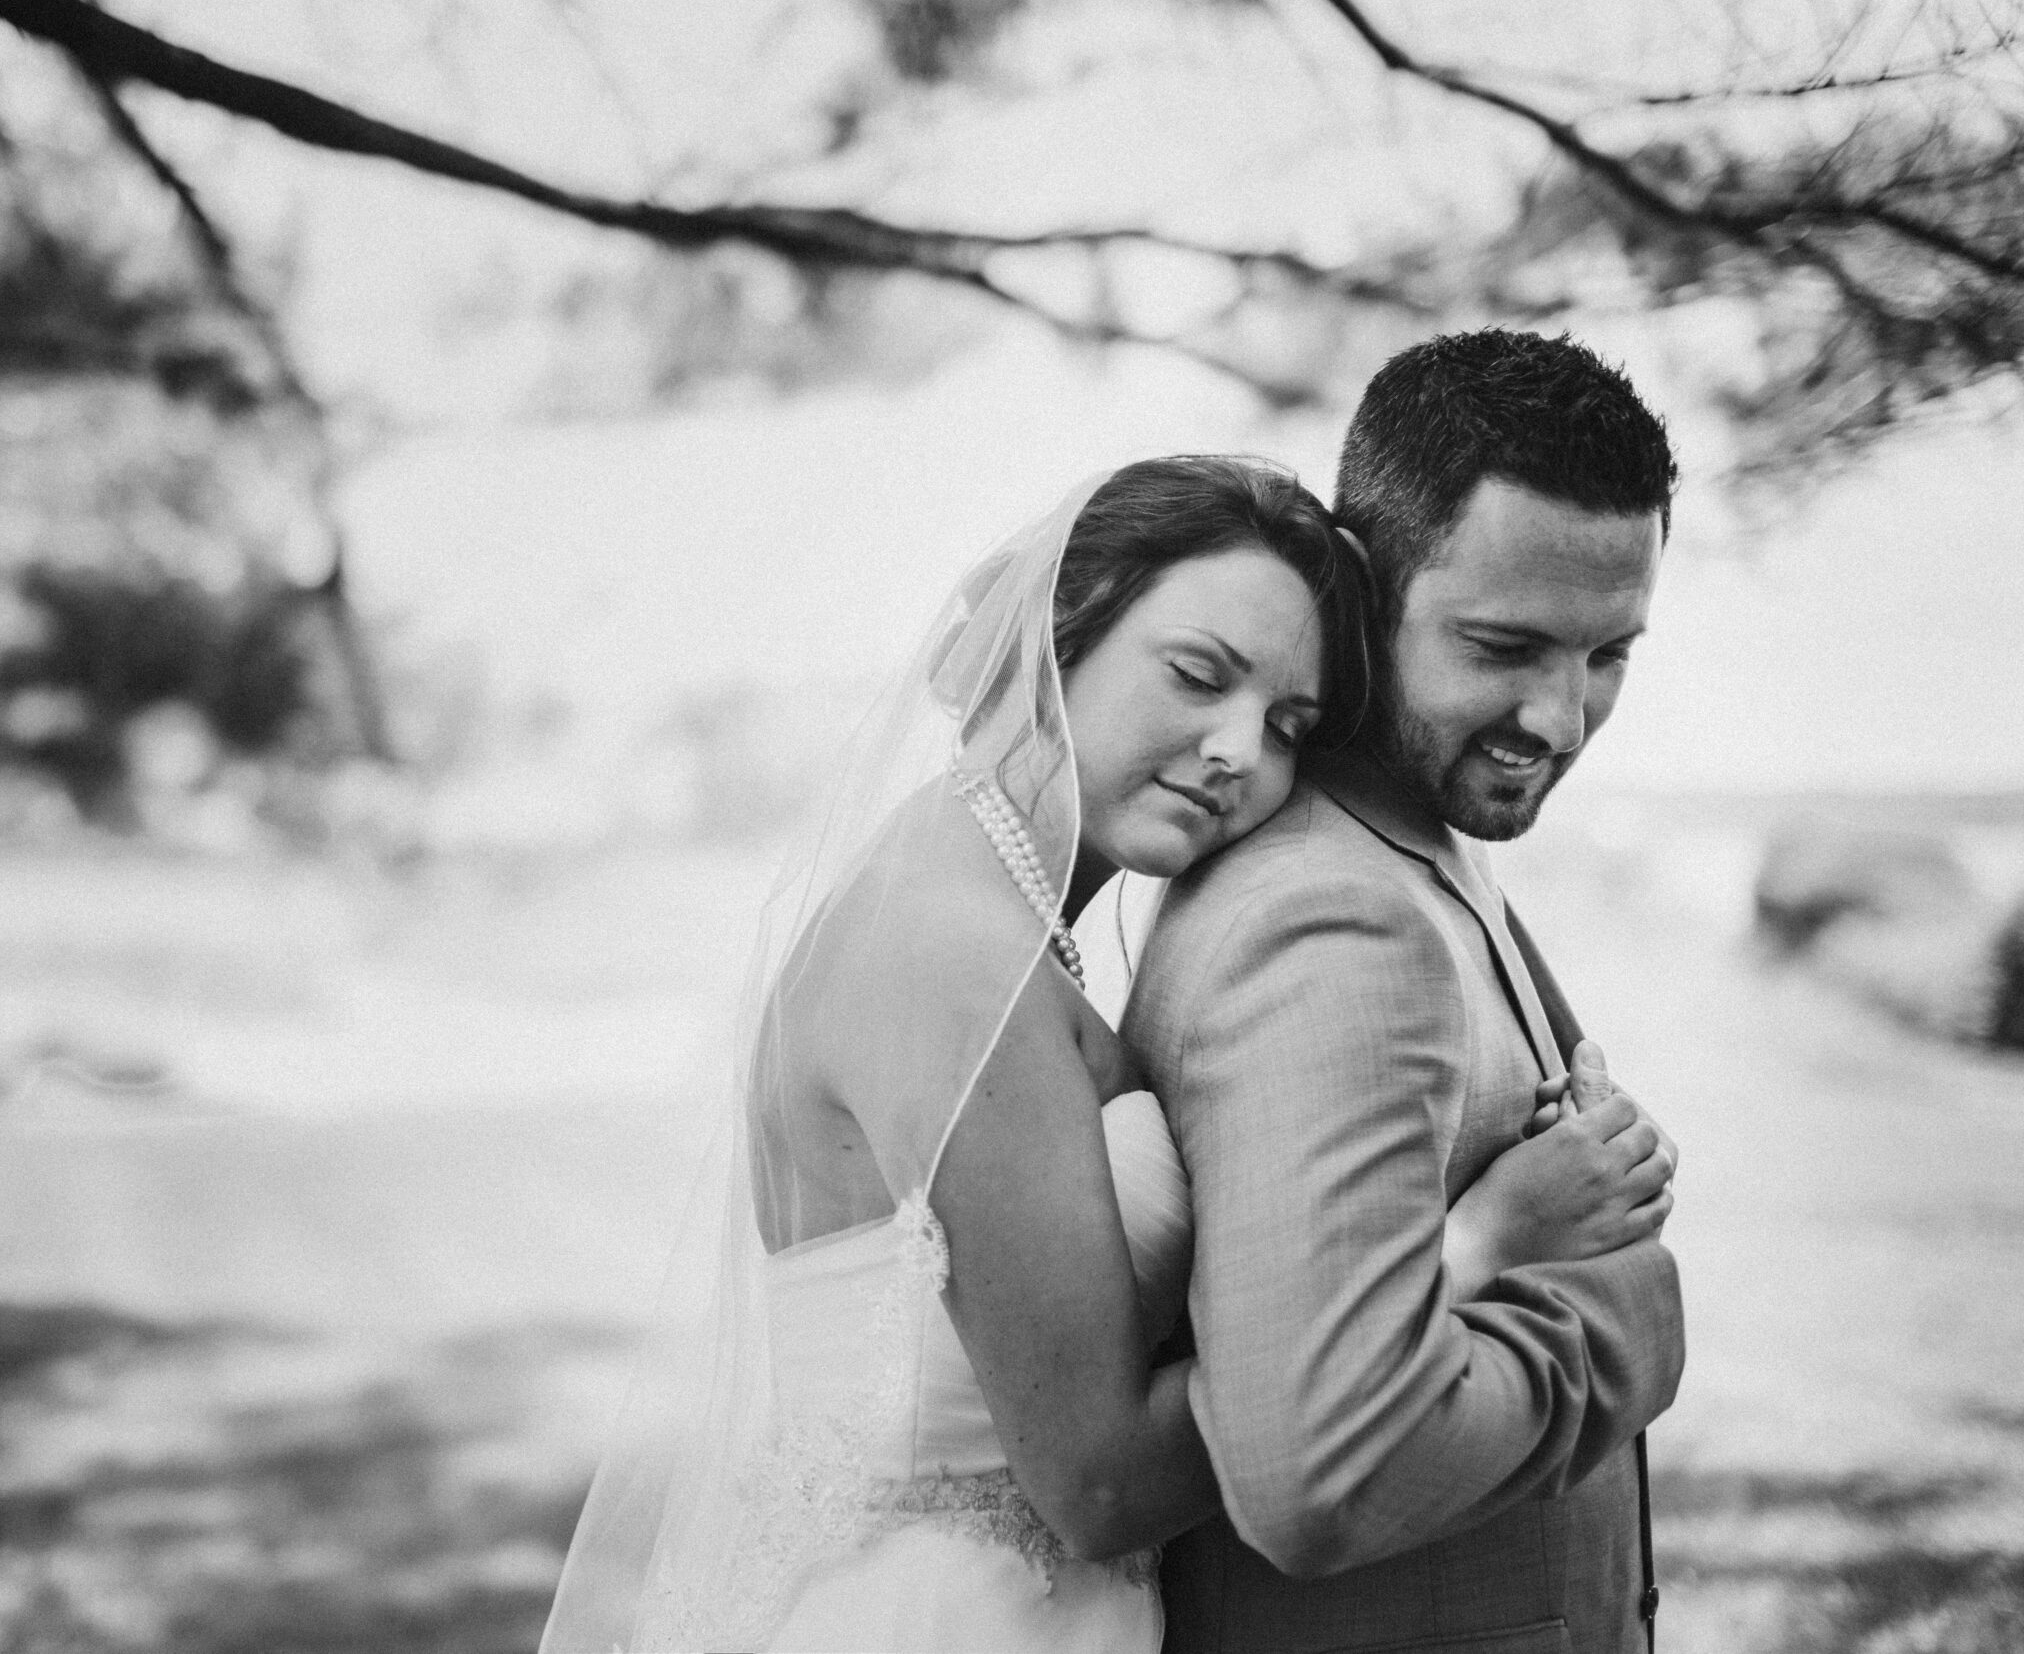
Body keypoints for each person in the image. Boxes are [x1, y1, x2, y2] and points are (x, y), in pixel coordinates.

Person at [540, 454, 1674, 1653]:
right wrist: (1477, 1242)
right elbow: (1095, 1483)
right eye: (1198, 674)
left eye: (1289, 724)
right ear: (1058, 632)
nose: (1239, 749)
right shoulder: (947, 955)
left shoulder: (996, 911)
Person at [1126, 330, 1688, 1654]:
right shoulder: (1330, 921)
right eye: (1506, 645)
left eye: (1609, 655)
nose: (1559, 717)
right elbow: (1326, 1473)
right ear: (1360, 587)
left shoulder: (1422, 840)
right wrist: (1630, 1310)